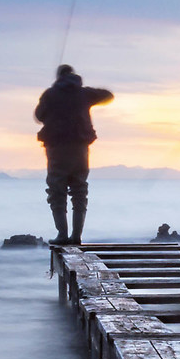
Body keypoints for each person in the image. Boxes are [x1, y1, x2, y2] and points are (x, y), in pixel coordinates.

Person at [33, 64, 114, 244]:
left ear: (58, 76)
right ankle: (76, 236)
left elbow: (39, 116)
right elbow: (109, 96)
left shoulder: (50, 94)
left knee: (57, 191)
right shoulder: (85, 94)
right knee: (79, 191)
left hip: (57, 149)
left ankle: (62, 235)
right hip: (80, 149)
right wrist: (88, 98)